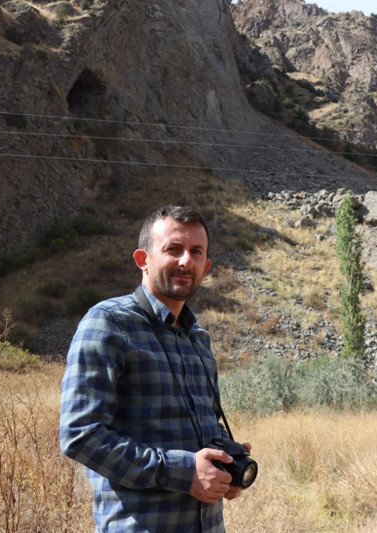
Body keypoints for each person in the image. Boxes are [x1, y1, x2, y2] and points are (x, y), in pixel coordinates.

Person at [60, 205, 249, 532]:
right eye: (173, 249)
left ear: (206, 266)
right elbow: (81, 435)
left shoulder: (198, 338)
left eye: (196, 252)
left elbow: (205, 426)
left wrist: (225, 464)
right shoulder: (109, 323)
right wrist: (184, 473)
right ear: (142, 259)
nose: (186, 261)